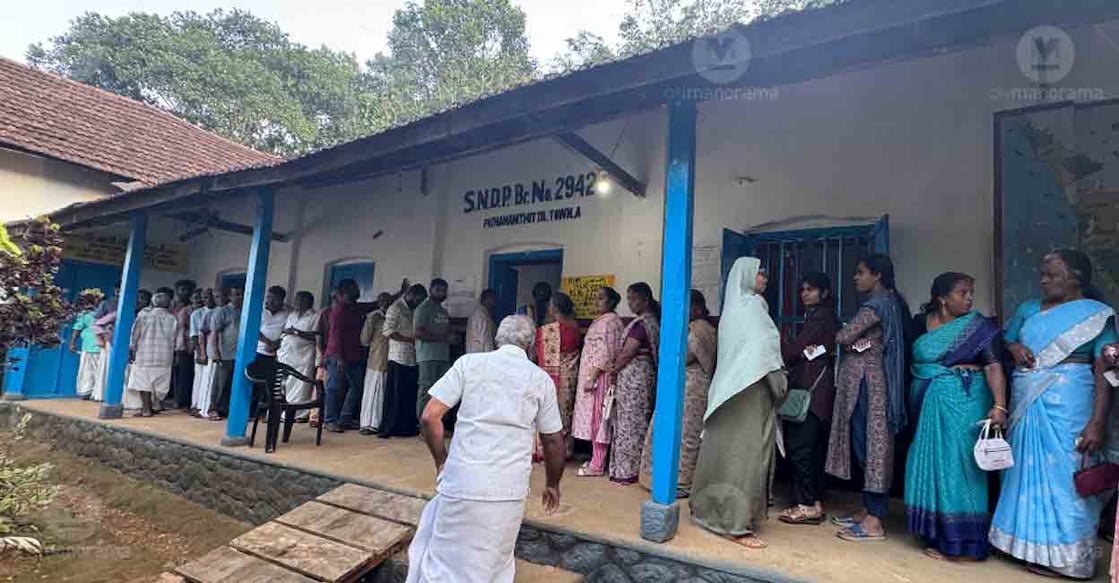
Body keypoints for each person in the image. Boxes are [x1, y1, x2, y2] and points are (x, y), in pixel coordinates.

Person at [408, 316, 565, 583]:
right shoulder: (540, 380)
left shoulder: (469, 363)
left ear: (496, 340)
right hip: (508, 489)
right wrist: (552, 484)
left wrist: (442, 462)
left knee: (445, 562)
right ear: (530, 346)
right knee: (494, 563)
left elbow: (430, 416)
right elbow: (553, 441)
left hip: (462, 481)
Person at [990, 249, 1117, 579]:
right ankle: (1022, 547)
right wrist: (1013, 347)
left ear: (1076, 278)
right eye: (1042, 274)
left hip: (1071, 404)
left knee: (1066, 474)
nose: (1043, 280)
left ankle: (1069, 560)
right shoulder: (1028, 309)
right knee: (1022, 471)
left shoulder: (1097, 315)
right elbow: (1005, 338)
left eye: (1052, 274)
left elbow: (1105, 368)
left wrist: (1096, 422)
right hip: (1026, 401)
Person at [903, 272, 1007, 561]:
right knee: (932, 462)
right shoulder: (918, 323)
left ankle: (963, 542)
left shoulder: (978, 327)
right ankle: (935, 534)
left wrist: (999, 406)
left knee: (961, 467)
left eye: (971, 292)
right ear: (942, 298)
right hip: (928, 402)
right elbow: (910, 360)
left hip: (966, 402)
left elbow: (993, 366)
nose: (969, 298)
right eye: (963, 293)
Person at [691, 258, 786, 549]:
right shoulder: (752, 310)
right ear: (745, 275)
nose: (764, 277)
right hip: (750, 391)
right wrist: (780, 385)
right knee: (744, 459)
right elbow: (764, 353)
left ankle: (711, 511)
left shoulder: (734, 310)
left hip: (729, 390)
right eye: (759, 272)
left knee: (725, 456)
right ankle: (734, 524)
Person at [826, 254, 911, 543]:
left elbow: (843, 335)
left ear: (877, 276)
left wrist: (847, 340)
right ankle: (869, 509)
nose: (855, 277)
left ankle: (874, 522)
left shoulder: (877, 304)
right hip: (873, 383)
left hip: (871, 386)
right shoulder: (891, 302)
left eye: (860, 272)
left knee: (873, 449)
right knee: (870, 448)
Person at [639, 289, 717, 497]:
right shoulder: (705, 329)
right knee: (686, 434)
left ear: (698, 308)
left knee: (685, 436)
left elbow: (681, 356)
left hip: (692, 388)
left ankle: (681, 482)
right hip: (694, 387)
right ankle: (678, 479)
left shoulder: (697, 330)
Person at [777, 273, 839, 525]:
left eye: (811, 289)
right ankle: (814, 501)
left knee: (800, 448)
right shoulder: (821, 316)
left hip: (813, 392)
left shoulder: (820, 317)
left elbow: (795, 351)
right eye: (803, 289)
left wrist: (780, 342)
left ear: (824, 293)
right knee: (811, 449)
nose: (805, 294)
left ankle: (806, 505)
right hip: (820, 391)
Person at [607, 282, 660, 484]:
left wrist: (614, 369)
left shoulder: (642, 324)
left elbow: (629, 351)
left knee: (630, 424)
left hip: (635, 380)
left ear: (646, 300)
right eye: (628, 298)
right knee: (636, 423)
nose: (630, 302)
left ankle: (627, 471)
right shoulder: (650, 321)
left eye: (634, 298)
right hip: (643, 379)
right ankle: (635, 469)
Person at [571, 287, 624, 477]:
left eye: (600, 298)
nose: (596, 302)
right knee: (594, 420)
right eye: (595, 298)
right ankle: (596, 458)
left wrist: (592, 376)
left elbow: (605, 352)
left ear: (611, 301)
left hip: (599, 378)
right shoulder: (602, 321)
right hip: (593, 375)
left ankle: (598, 464)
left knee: (599, 420)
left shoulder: (610, 322)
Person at [534, 292, 582, 459]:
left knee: (547, 411)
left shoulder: (547, 331)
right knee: (565, 412)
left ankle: (545, 451)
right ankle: (565, 450)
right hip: (569, 378)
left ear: (554, 308)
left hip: (550, 378)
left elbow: (535, 353)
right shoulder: (575, 328)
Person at [379, 284, 427, 438]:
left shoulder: (415, 309)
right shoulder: (396, 308)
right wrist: (410, 340)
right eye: (419, 299)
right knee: (395, 396)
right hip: (398, 357)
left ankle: (406, 428)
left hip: (413, 357)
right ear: (411, 295)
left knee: (408, 395)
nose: (420, 303)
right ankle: (390, 428)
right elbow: (388, 331)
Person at [125, 290, 180, 417]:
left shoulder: (143, 316)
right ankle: (155, 405)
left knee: (143, 383)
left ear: (153, 303)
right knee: (158, 384)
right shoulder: (173, 318)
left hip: (145, 355)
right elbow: (177, 338)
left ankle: (146, 409)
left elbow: (135, 336)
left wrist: (132, 350)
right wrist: (175, 354)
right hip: (164, 357)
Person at [414, 278, 454, 424]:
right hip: (427, 356)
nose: (441, 294)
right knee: (426, 391)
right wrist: (443, 338)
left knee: (442, 392)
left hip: (443, 356)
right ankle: (423, 425)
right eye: (438, 290)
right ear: (431, 291)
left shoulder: (443, 311)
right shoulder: (423, 309)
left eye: (444, 291)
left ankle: (437, 424)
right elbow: (418, 333)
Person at [278, 291, 321, 421]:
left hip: (304, 355)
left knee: (301, 384)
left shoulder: (314, 316)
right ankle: (284, 413)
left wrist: (296, 332)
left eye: (299, 300)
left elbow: (316, 336)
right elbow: (285, 331)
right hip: (287, 354)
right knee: (285, 384)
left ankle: (299, 414)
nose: (296, 302)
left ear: (308, 302)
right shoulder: (292, 315)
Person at [359, 292, 395, 434]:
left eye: (387, 301)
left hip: (391, 358)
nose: (385, 303)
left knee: (384, 392)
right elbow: (364, 339)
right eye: (382, 300)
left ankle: (379, 423)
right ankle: (368, 423)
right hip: (376, 358)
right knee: (373, 391)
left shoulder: (392, 316)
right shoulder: (374, 317)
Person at [208, 288, 242, 420]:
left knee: (233, 384)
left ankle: (226, 409)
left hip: (239, 354)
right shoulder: (222, 311)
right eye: (237, 295)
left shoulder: (243, 311)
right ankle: (213, 409)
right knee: (220, 383)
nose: (239, 297)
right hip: (225, 353)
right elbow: (214, 334)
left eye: (241, 295)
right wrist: (216, 353)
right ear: (230, 296)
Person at [70, 292, 105, 401]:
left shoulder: (88, 315)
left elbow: (77, 329)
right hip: (94, 346)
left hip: (96, 346)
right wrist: (72, 343)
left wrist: (72, 343)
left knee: (90, 371)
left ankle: (90, 392)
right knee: (96, 371)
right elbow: (77, 328)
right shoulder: (87, 314)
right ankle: (90, 392)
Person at [189, 289, 215, 418]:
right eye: (204, 298)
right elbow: (194, 335)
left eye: (209, 297)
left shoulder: (217, 311)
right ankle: (196, 405)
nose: (207, 300)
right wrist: (200, 353)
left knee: (209, 380)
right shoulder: (197, 314)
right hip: (201, 351)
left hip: (212, 351)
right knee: (198, 379)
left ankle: (205, 406)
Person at [171, 279, 197, 410]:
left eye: (188, 290)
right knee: (180, 373)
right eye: (182, 290)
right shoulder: (175, 307)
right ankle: (179, 400)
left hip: (190, 344)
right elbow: (178, 328)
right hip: (180, 344)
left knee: (187, 374)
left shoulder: (194, 307)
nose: (185, 293)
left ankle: (185, 399)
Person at [257, 286, 289, 364]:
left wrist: (276, 344)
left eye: (275, 299)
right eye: (269, 298)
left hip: (276, 354)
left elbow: (287, 332)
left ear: (282, 300)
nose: (271, 302)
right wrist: (269, 343)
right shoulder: (259, 310)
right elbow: (252, 330)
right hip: (257, 351)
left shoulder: (287, 313)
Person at [465, 289, 497, 353]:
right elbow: (483, 338)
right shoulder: (479, 315)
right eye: (492, 299)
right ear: (486, 300)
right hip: (479, 352)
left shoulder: (485, 314)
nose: (494, 303)